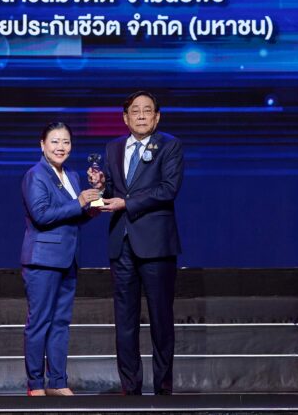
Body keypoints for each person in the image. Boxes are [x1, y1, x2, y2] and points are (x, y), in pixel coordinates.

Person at [91, 91, 183, 396]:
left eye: (147, 110)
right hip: (122, 244)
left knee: (160, 318)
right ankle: (130, 389)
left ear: (157, 116)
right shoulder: (113, 147)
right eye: (135, 110)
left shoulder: (170, 145)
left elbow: (168, 189)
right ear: (125, 117)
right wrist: (101, 187)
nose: (141, 115)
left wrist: (126, 203)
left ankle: (163, 389)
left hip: (156, 245)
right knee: (125, 320)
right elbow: (114, 191)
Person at [20, 121, 103, 396]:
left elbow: (74, 217)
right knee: (40, 323)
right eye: (54, 141)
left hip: (67, 259)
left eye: (66, 142)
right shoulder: (36, 175)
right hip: (42, 261)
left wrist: (93, 205)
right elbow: (41, 215)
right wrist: (79, 202)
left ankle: (57, 382)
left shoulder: (73, 176)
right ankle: (35, 384)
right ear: (42, 145)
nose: (61, 147)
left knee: (60, 324)